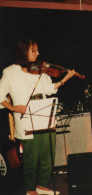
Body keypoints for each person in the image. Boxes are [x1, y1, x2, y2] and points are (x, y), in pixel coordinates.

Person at [0, 38, 75, 195]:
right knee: (31, 158)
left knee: (48, 154)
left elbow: (50, 89)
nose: (38, 53)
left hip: (44, 113)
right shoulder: (10, 72)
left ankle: (43, 186)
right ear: (24, 52)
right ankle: (30, 189)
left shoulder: (39, 70)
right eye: (34, 50)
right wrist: (13, 107)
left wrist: (65, 79)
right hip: (27, 118)